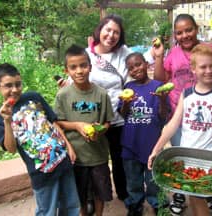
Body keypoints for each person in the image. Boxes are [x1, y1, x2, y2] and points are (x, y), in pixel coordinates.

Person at [149, 13, 212, 214]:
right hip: (182, 118)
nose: (185, 35)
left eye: (189, 29)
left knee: (200, 192)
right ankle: (180, 192)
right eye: (179, 32)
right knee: (189, 183)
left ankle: (205, 196)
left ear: (196, 28)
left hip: (209, 151)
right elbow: (170, 122)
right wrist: (157, 148)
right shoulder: (185, 91)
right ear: (193, 70)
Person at [0, 63, 80, 216]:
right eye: (8, 86)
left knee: (71, 206)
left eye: (18, 84)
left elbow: (52, 122)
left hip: (62, 159)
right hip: (41, 173)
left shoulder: (33, 97)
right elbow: (11, 149)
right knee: (47, 211)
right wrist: (7, 120)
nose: (14, 89)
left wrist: (68, 146)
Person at [54, 44, 114, 216]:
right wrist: (77, 125)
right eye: (73, 67)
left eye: (83, 65)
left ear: (90, 67)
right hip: (76, 156)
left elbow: (108, 122)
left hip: (98, 155)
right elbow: (58, 122)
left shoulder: (101, 94)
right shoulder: (63, 95)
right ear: (67, 70)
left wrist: (99, 131)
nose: (79, 71)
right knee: (79, 193)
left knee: (100, 192)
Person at [85, 14, 132, 201]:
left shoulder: (124, 52)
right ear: (100, 30)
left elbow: (140, 61)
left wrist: (155, 55)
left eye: (116, 32)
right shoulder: (87, 53)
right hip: (94, 118)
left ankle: (123, 194)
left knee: (120, 159)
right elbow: (76, 74)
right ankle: (94, 197)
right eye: (108, 30)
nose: (111, 35)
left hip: (118, 116)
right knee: (93, 159)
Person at [117, 52, 170, 216]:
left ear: (147, 64)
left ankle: (157, 202)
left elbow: (163, 116)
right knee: (133, 180)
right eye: (130, 68)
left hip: (151, 144)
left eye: (138, 64)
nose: (135, 69)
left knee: (153, 179)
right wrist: (126, 104)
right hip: (130, 143)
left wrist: (161, 99)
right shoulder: (128, 88)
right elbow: (123, 114)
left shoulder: (158, 87)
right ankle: (135, 203)